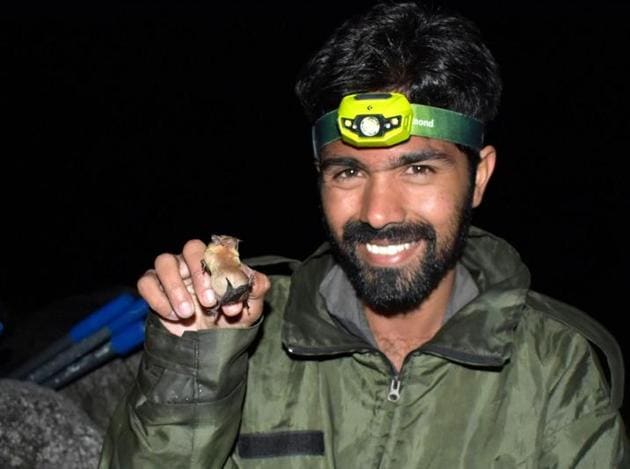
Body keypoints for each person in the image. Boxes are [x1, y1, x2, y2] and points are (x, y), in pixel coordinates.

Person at [99, 2, 629, 467]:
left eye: (418, 169)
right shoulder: (241, 341)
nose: (377, 213)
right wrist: (196, 365)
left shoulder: (556, 363)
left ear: (478, 179)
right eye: (348, 172)